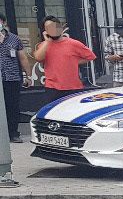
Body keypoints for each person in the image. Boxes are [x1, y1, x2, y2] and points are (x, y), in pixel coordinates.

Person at [32, 16, 95, 105]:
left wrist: (73, 61)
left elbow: (90, 56)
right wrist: (47, 41)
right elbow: (38, 58)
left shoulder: (73, 43)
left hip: (73, 87)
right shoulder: (43, 45)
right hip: (52, 88)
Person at [1, 13, 32, 143]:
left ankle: (13, 133)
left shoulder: (14, 39)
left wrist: (28, 75)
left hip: (12, 78)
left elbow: (23, 57)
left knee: (12, 106)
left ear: (4, 22)